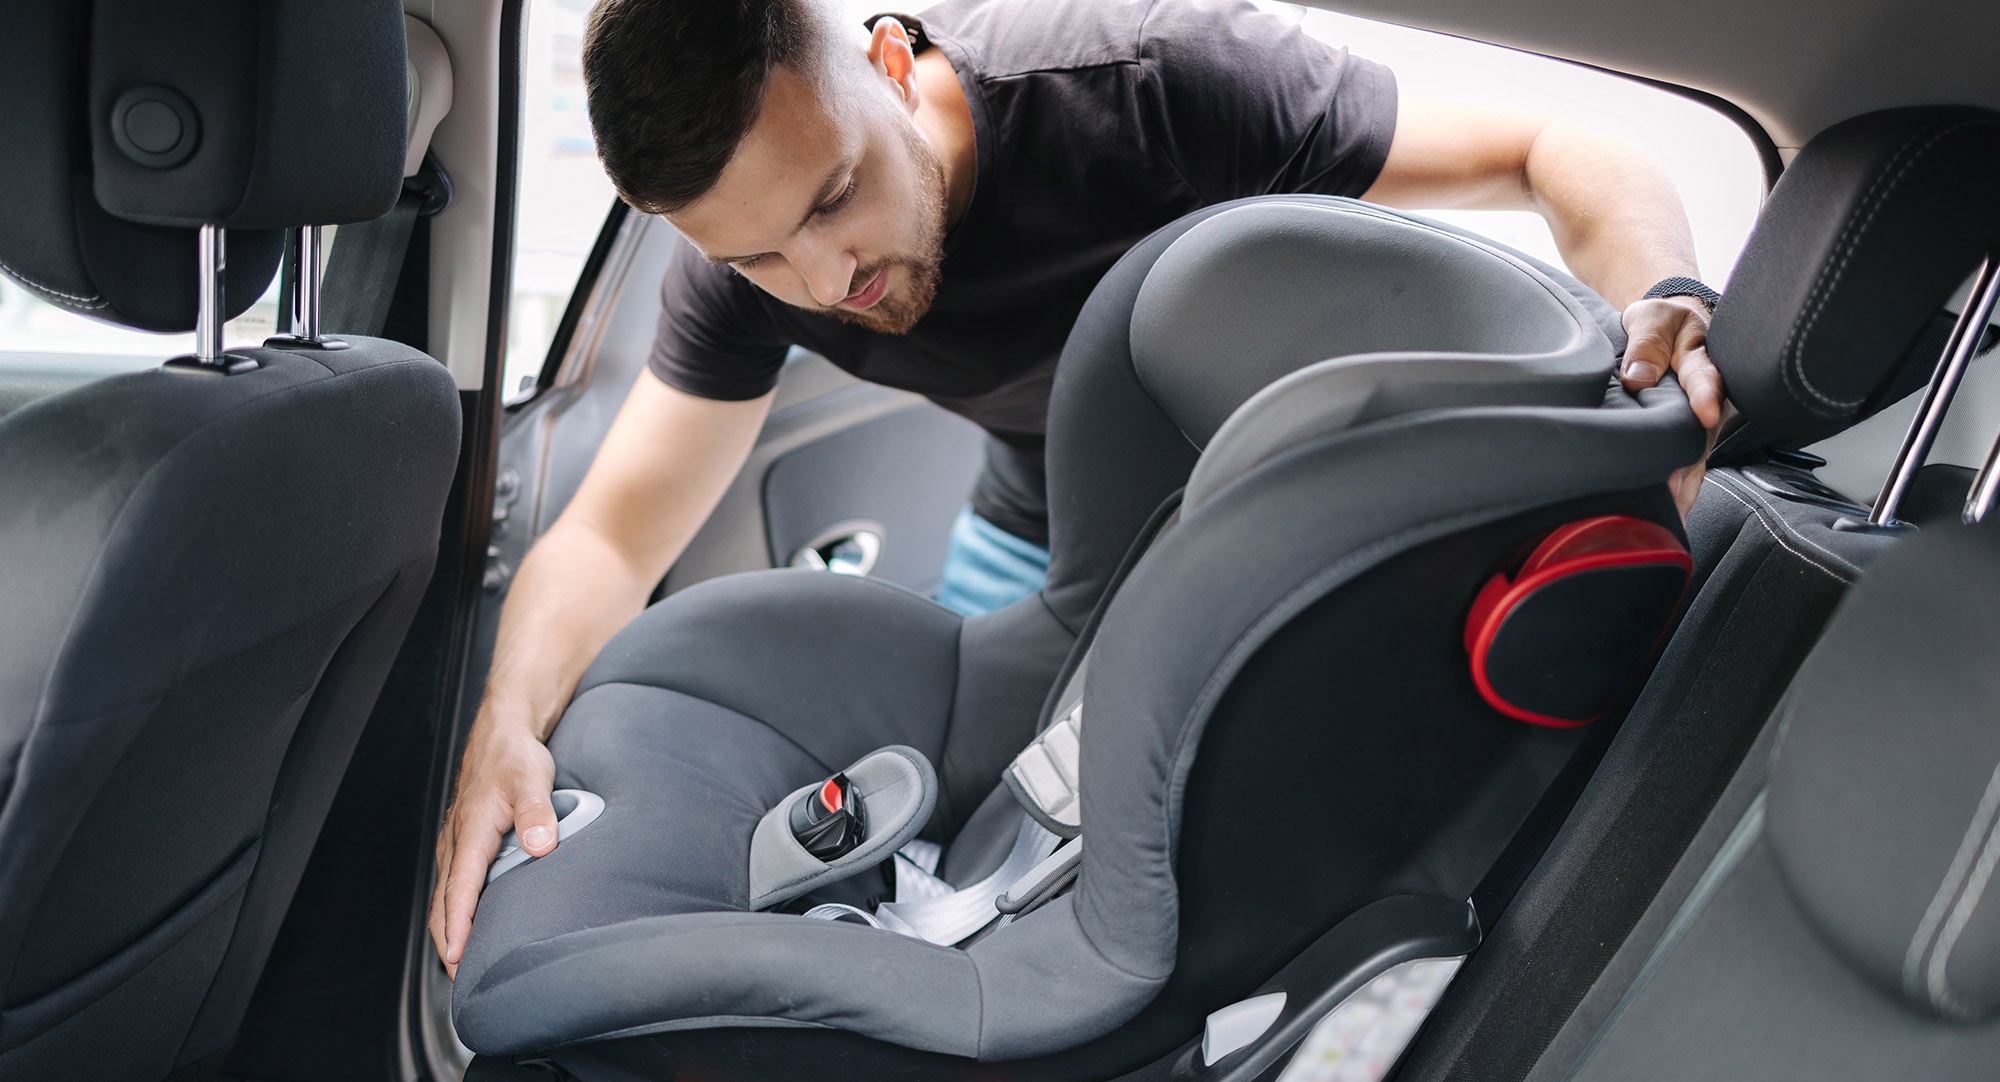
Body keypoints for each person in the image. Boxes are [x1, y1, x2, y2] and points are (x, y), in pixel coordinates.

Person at [429, 0, 1727, 974]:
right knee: (975, 836)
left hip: (1284, 490)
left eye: (838, 198)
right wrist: (506, 726)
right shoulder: (742, 273)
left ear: (889, 60)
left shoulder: (1150, 79)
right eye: (762, 253)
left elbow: (1559, 145)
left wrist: (1662, 302)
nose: (828, 280)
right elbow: (610, 531)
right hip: (1050, 513)